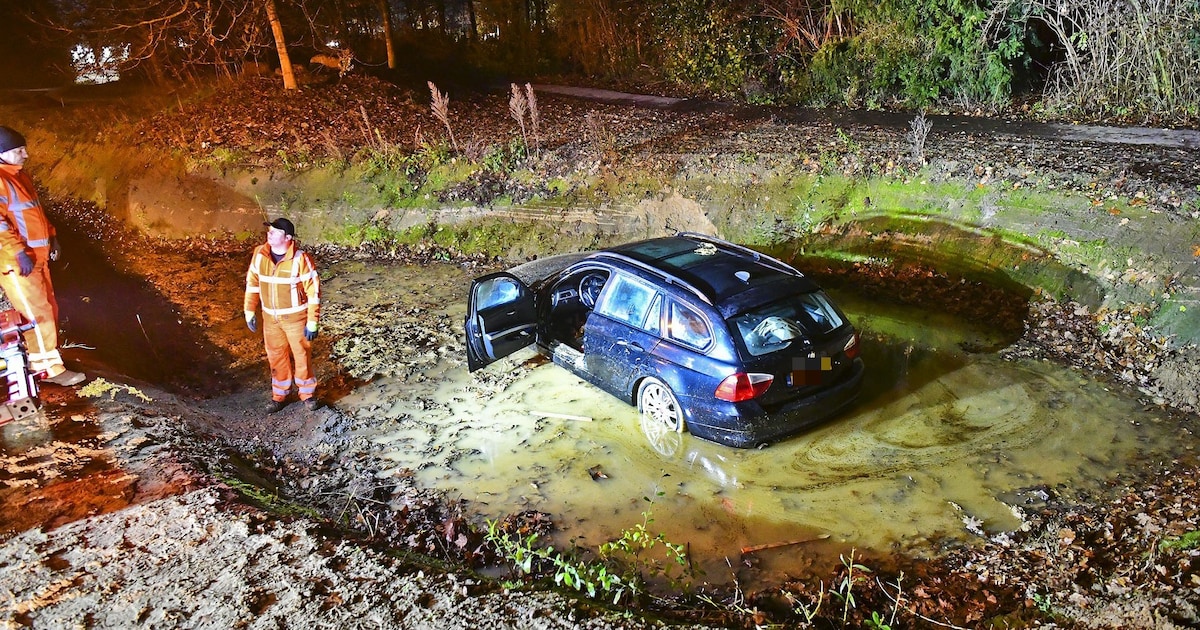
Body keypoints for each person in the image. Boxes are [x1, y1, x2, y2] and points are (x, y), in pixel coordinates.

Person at [0, 125, 85, 387]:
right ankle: (50, 370)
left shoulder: (18, 176)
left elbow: (35, 212)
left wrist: (52, 236)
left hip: (36, 257)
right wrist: (17, 251)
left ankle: (42, 359)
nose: (26, 154)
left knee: (48, 307)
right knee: (37, 314)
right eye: (19, 150)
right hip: (17, 262)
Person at [244, 217, 321, 412]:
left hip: (295, 319)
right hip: (271, 319)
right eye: (269, 230)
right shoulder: (259, 255)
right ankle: (279, 395)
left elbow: (313, 291)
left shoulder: (300, 259)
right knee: (276, 357)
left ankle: (308, 395)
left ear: (287, 237)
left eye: (274, 231)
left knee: (301, 355)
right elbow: (252, 284)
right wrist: (249, 310)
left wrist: (312, 321)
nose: (269, 234)